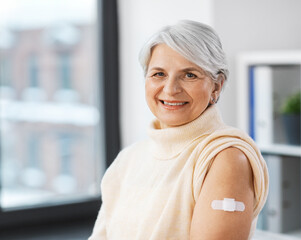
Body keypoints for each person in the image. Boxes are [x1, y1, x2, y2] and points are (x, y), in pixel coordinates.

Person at [89, 20, 268, 240]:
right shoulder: (128, 160)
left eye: (189, 75)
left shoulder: (225, 158)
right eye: (159, 74)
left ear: (216, 85)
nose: (170, 89)